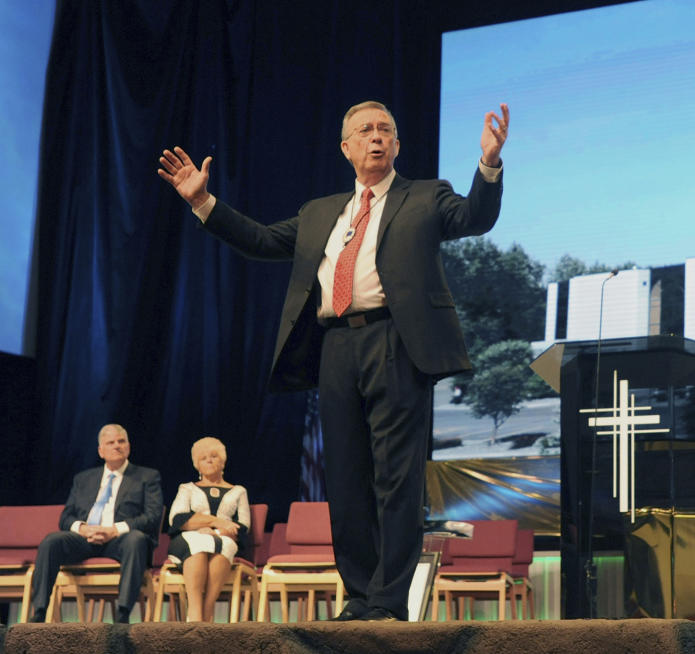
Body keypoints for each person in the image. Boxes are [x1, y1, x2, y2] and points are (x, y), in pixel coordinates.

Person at [158, 100, 509, 621]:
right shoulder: (322, 211)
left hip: (395, 340)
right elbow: (259, 240)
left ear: (396, 144)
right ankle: (361, 597)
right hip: (336, 347)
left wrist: (489, 165)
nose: (376, 137)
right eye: (365, 130)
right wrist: (205, 202)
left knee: (395, 478)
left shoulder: (425, 195)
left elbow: (475, 218)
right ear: (346, 148)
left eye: (385, 130)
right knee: (344, 480)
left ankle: (389, 601)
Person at [29, 424, 163, 623]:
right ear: (101, 451)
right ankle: (39, 613)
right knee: (51, 541)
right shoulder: (83, 479)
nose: (117, 446)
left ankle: (123, 615)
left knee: (136, 539)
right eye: (111, 442)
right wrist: (82, 529)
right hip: (85, 540)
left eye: (121, 441)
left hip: (121, 540)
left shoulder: (147, 476)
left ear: (129, 446)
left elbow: (153, 516)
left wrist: (114, 530)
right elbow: (65, 518)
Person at [167, 437, 251, 622]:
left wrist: (217, 532)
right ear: (197, 465)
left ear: (223, 461)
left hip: (225, 539)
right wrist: (218, 522)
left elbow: (242, 526)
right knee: (199, 543)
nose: (209, 460)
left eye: (214, 456)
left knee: (224, 545)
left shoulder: (239, 491)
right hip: (188, 538)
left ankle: (207, 610)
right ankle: (195, 613)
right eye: (204, 458)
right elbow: (177, 520)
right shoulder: (187, 488)